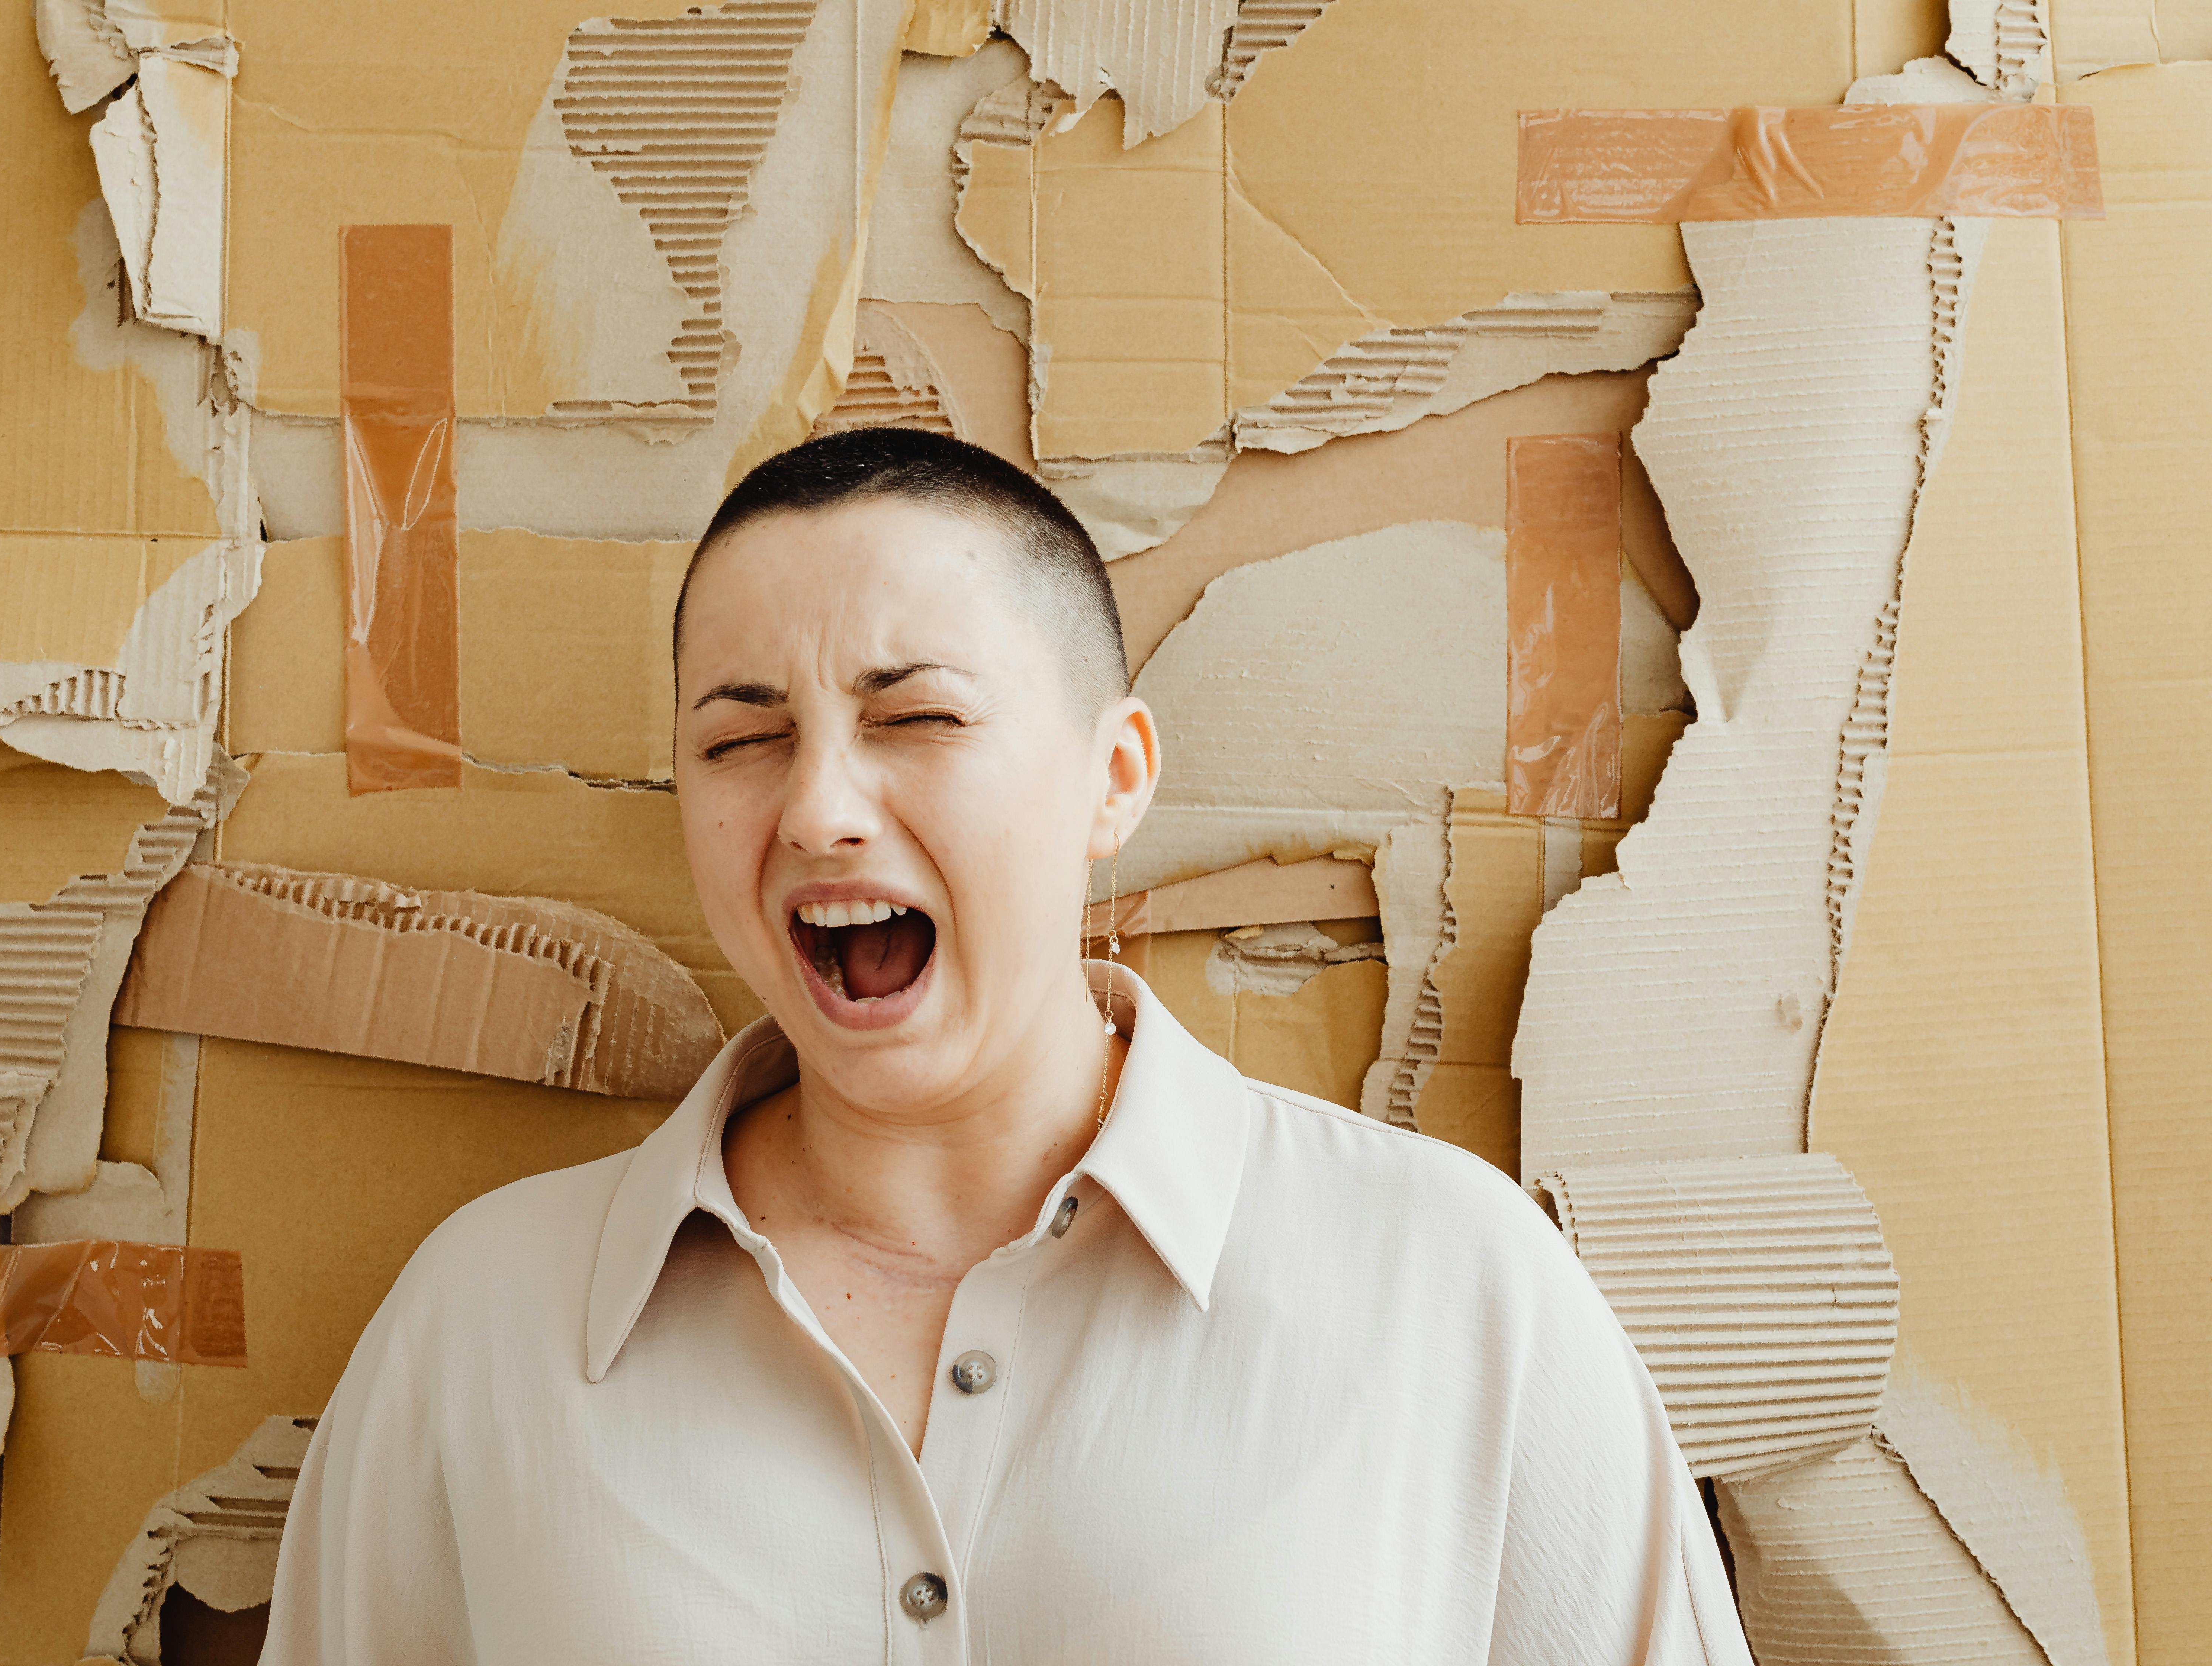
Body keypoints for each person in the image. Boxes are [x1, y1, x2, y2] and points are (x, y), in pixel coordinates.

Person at [260, 428, 1750, 1663]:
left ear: (1114, 778)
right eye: (740, 740)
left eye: (915, 717)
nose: (820, 809)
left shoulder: (1460, 1296)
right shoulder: (479, 1330)